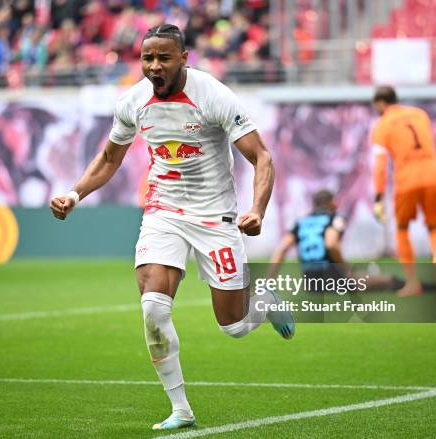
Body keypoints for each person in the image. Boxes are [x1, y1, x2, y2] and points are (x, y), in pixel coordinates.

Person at [49, 24, 294, 431]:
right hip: (163, 212)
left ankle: (263, 303)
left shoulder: (212, 95)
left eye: (164, 57)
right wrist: (74, 195)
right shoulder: (133, 102)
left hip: (216, 217)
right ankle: (180, 408)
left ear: (184, 58)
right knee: (153, 307)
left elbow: (262, 157)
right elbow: (110, 158)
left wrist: (257, 210)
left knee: (233, 326)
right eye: (148, 58)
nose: (154, 66)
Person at [371, 86, 436, 297]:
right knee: (435, 227)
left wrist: (378, 196)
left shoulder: (382, 125)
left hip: (406, 180)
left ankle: (413, 284)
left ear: (380, 103)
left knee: (402, 229)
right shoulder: (420, 114)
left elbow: (380, 166)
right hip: (433, 174)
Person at [269, 190, 411, 292]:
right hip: (331, 277)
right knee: (385, 281)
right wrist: (346, 271)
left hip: (310, 282)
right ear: (331, 203)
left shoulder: (301, 221)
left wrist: (269, 279)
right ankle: (416, 285)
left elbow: (282, 249)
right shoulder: (334, 218)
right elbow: (331, 244)